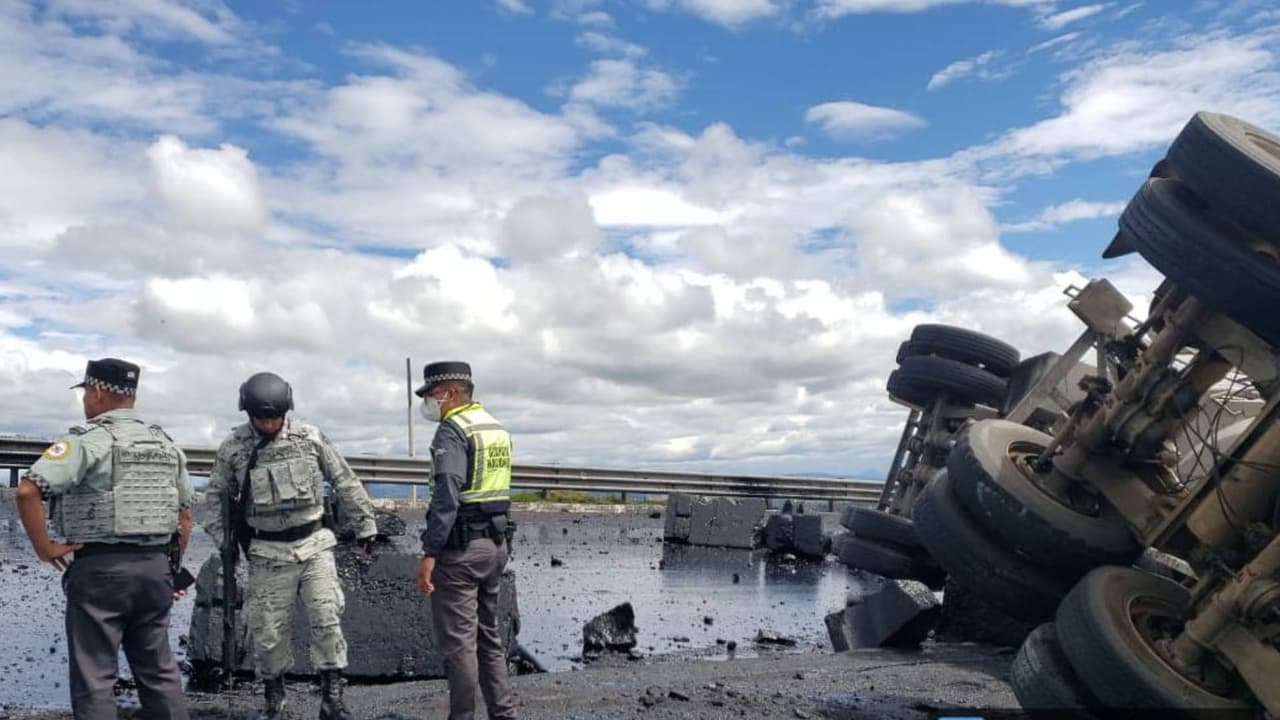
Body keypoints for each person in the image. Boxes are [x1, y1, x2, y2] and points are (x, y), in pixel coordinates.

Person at [15, 358, 192, 720]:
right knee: (160, 673)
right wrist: (170, 569)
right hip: (155, 569)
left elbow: (28, 490)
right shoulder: (166, 444)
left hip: (99, 570)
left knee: (95, 676)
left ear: (96, 391)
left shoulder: (87, 440)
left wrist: (44, 548)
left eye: (85, 393)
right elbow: (184, 516)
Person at [204, 372, 378, 720]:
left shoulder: (310, 438)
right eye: (261, 418)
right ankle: (275, 703)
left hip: (314, 544)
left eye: (274, 417)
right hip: (267, 553)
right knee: (268, 633)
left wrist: (366, 526)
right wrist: (226, 545)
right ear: (247, 414)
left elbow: (344, 479)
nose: (268, 424)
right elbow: (216, 498)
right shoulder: (235, 447)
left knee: (327, 620)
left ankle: (332, 699)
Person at [414, 361, 517, 720]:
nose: (429, 401)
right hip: (495, 546)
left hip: (461, 550)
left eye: (431, 394)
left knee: (459, 646)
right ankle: (502, 714)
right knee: (489, 638)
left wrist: (430, 551)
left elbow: (447, 493)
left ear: (451, 393)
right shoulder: (495, 428)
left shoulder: (452, 430)